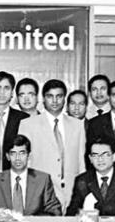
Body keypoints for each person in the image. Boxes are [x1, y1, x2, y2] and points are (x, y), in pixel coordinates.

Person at [17, 79, 85, 210]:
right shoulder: (28, 124)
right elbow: (24, 162)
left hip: (71, 191)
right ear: (43, 99)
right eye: (50, 96)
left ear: (64, 99)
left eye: (59, 96)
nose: (55, 101)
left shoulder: (77, 125)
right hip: (40, 191)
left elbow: (81, 161)